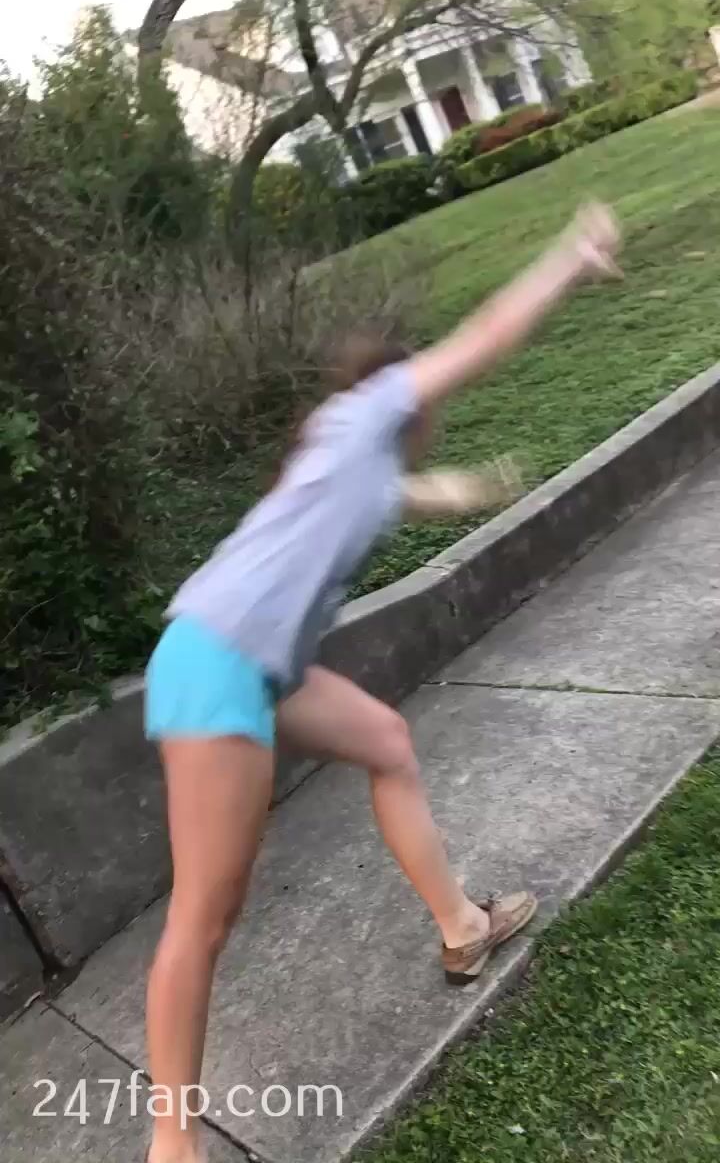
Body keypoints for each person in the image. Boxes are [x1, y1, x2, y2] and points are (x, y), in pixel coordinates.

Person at [143, 201, 622, 1163]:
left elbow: (413, 493)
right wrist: (571, 260)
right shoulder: (370, 415)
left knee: (387, 743)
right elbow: (486, 335)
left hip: (255, 666)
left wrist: (476, 488)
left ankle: (463, 928)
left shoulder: (350, 452)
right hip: (217, 666)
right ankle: (172, 1142)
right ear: (400, 392)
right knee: (204, 917)